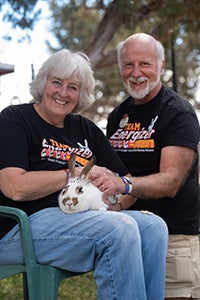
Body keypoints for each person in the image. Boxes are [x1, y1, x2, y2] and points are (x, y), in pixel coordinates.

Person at [0, 49, 168, 300]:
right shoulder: (15, 119)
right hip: (20, 226)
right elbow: (14, 187)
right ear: (43, 82)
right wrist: (74, 175)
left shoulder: (85, 129)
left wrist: (112, 206)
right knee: (117, 230)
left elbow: (125, 181)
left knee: (153, 227)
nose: (63, 93)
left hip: (79, 219)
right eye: (56, 82)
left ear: (80, 94)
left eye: (73, 87)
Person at [89, 33, 200, 300]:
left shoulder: (178, 113)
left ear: (161, 66)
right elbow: (116, 173)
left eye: (145, 64)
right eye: (128, 65)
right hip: (127, 240)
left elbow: (171, 182)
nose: (136, 73)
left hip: (174, 240)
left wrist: (124, 184)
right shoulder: (118, 115)